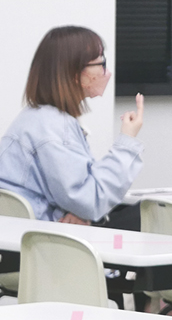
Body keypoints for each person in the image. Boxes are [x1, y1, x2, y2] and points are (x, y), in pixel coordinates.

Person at [0, 26, 145, 226]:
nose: (107, 72)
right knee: (149, 215)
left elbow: (77, 197)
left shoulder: (36, 117)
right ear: (75, 73)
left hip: (30, 236)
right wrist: (126, 141)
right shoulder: (54, 127)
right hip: (52, 241)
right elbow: (91, 201)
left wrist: (78, 211)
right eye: (101, 63)